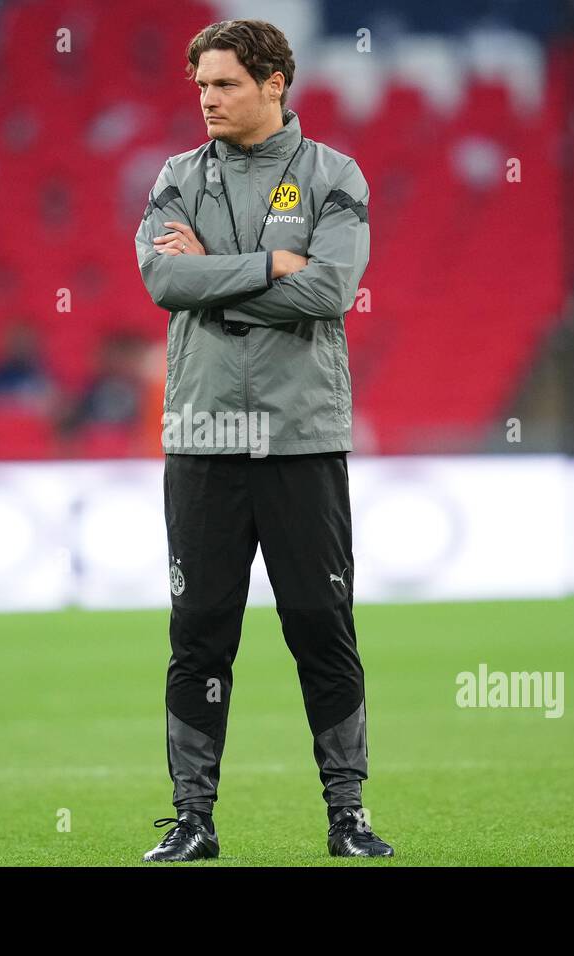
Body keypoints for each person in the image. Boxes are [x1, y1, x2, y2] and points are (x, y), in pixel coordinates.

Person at [133, 18, 392, 861]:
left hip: (299, 435)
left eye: (225, 84)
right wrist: (269, 265)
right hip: (203, 437)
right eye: (201, 86)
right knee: (199, 634)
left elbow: (329, 291)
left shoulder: (332, 175)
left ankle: (347, 817)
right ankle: (193, 820)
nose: (208, 100)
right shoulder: (177, 176)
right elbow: (162, 276)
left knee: (321, 624)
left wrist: (214, 275)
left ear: (274, 82)